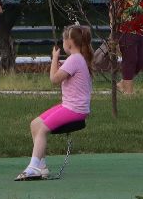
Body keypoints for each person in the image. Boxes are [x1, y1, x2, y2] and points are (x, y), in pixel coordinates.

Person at [15, 24, 94, 181]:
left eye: (63, 40)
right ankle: (41, 166)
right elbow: (62, 75)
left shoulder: (74, 59)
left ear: (69, 42)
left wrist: (55, 58)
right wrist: (58, 65)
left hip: (75, 109)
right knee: (35, 124)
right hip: (70, 106)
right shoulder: (77, 59)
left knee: (43, 129)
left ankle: (33, 168)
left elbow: (53, 79)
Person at [110, 0, 143, 96]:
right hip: (126, 31)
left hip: (139, 32)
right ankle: (128, 91)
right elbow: (116, 13)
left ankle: (122, 83)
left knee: (142, 60)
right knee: (130, 60)